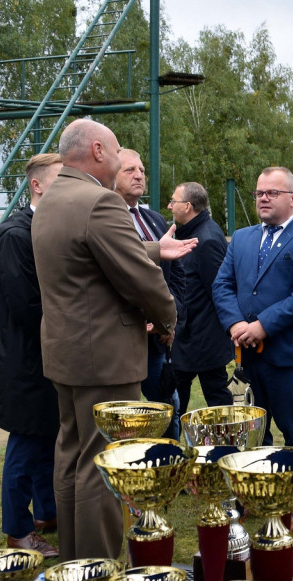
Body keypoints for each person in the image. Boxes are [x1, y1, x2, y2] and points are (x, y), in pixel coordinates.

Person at [32, 118, 195, 560]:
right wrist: (168, 320)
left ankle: (74, 562)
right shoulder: (99, 202)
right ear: (99, 151)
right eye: (119, 150)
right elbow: (141, 280)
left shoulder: (51, 198)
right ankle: (98, 571)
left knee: (70, 454)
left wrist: (153, 248)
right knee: (104, 464)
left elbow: (88, 254)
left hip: (66, 354)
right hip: (103, 356)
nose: (125, 160)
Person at [212, 166, 293, 451]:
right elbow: (222, 285)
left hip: (288, 357)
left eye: (272, 193)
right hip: (248, 358)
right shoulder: (241, 238)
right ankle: (254, 494)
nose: (263, 198)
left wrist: (263, 326)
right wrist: (236, 324)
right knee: (252, 436)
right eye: (259, 193)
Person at [0, 152, 63, 560]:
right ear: (36, 185)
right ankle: (18, 530)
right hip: (25, 360)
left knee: (46, 438)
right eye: (58, 180)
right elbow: (25, 304)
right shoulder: (17, 233)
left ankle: (46, 513)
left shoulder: (43, 227)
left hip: (44, 356)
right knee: (25, 442)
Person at [115, 148, 185, 439]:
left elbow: (177, 275)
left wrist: (170, 319)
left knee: (169, 406)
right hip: (120, 339)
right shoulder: (104, 218)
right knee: (123, 416)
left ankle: (171, 470)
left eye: (142, 170)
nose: (139, 175)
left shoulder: (155, 220)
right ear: (110, 174)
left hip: (158, 341)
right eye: (129, 170)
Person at [166, 182, 234, 411]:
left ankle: (227, 445)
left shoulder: (207, 240)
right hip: (189, 338)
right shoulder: (194, 232)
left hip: (202, 340)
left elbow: (220, 290)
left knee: (216, 402)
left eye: (173, 201)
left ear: (187, 206)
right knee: (174, 399)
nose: (169, 206)